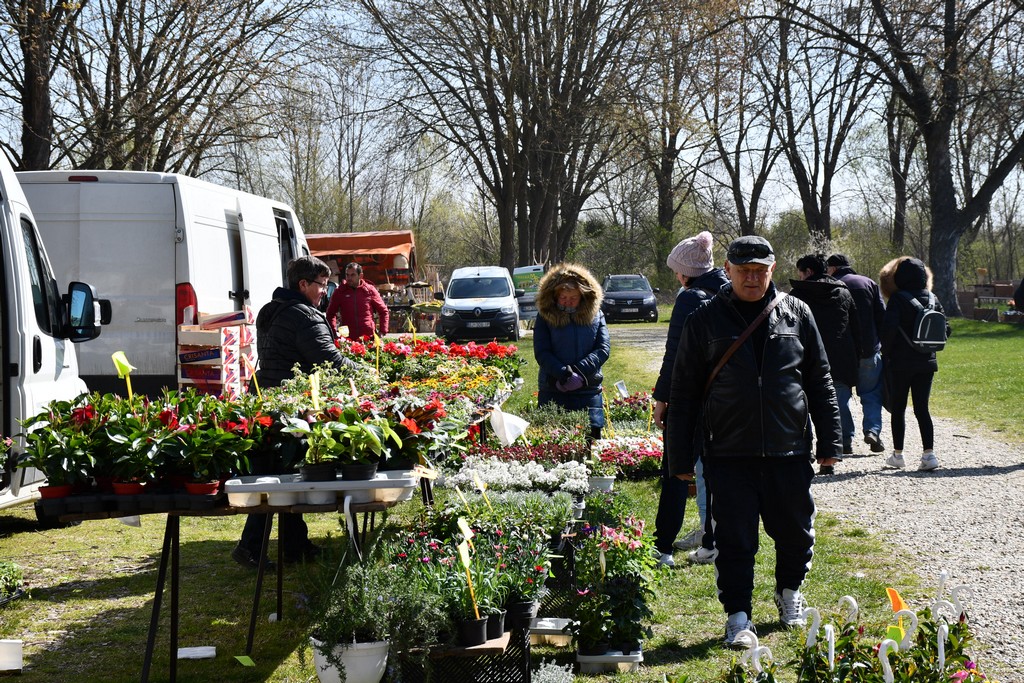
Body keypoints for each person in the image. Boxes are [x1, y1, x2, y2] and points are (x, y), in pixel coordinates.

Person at [666, 235, 842, 646]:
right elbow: (685, 393)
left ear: (773, 269)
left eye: (760, 270)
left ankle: (789, 594)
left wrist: (830, 443)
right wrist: (679, 457)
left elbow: (820, 381)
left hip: (788, 449)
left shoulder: (798, 314)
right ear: (727, 269)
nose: (752, 278)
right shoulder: (704, 319)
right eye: (744, 270)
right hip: (727, 452)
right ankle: (739, 617)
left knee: (795, 532)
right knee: (734, 539)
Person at [232, 255, 360, 570]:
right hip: (290, 407)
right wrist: (369, 374)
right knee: (278, 478)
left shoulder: (271, 310)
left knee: (284, 476)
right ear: (303, 284)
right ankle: (250, 547)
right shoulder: (305, 317)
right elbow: (331, 361)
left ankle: (294, 544)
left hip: (267, 400)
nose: (325, 291)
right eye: (321, 284)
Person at [651, 231, 729, 568]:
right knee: (714, 471)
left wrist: (662, 398)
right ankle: (712, 542)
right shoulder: (730, 291)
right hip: (725, 397)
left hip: (690, 396)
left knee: (675, 470)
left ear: (685, 272)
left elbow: (675, 355)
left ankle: (663, 546)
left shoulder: (689, 299)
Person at [789, 254, 861, 471]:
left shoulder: (797, 295)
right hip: (839, 358)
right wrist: (857, 356)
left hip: (805, 357)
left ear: (808, 272)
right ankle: (833, 452)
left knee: (804, 407)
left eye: (800, 272)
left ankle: (808, 451)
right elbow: (855, 328)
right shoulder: (843, 292)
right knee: (832, 406)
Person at [878, 257, 949, 472]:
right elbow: (946, 329)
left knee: (898, 409)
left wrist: (886, 353)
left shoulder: (898, 299)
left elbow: (888, 331)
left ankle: (898, 455)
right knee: (922, 409)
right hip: (927, 362)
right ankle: (929, 454)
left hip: (900, 363)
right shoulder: (932, 298)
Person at [533, 263, 610, 440]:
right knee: (554, 443)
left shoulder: (596, 314)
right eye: (563, 297)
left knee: (591, 441)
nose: (568, 301)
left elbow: (603, 348)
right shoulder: (545, 316)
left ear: (583, 296)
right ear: (554, 296)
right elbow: (542, 351)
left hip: (588, 389)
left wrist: (579, 372)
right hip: (553, 388)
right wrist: (563, 374)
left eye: (573, 297)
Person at [826, 254, 887, 454]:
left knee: (840, 396)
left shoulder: (832, 286)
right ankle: (872, 430)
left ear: (833, 268)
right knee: (871, 394)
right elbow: (881, 317)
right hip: (869, 350)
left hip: (841, 354)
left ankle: (845, 440)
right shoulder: (868, 283)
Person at [325, 262, 390, 340]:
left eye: (352, 275)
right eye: (347, 275)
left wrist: (382, 332)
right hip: (348, 340)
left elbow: (383, 311)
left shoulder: (369, 290)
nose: (349, 278)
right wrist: (333, 332)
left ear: (360, 276)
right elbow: (330, 313)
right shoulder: (340, 291)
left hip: (368, 337)